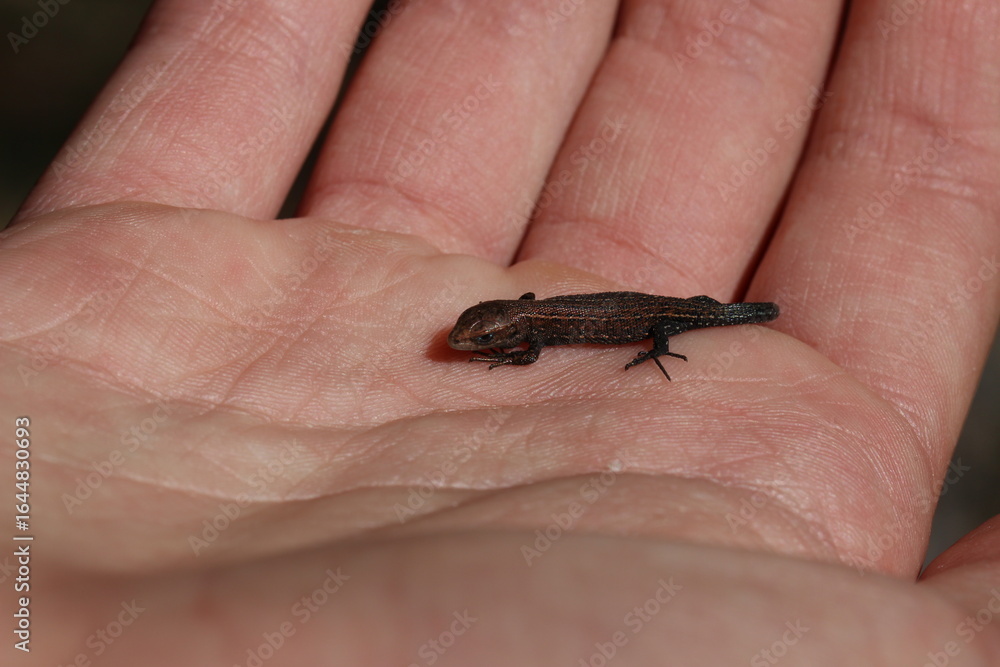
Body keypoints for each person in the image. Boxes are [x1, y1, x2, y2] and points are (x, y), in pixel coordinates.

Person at [3, 1, 999, 664]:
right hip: (637, 307)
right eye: (480, 344)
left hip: (648, 315)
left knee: (703, 318)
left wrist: (648, 342)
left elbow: (533, 343)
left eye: (480, 344)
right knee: (694, 314)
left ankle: (690, 332)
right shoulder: (517, 328)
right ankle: (691, 326)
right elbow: (525, 339)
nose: (482, 346)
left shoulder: (525, 334)